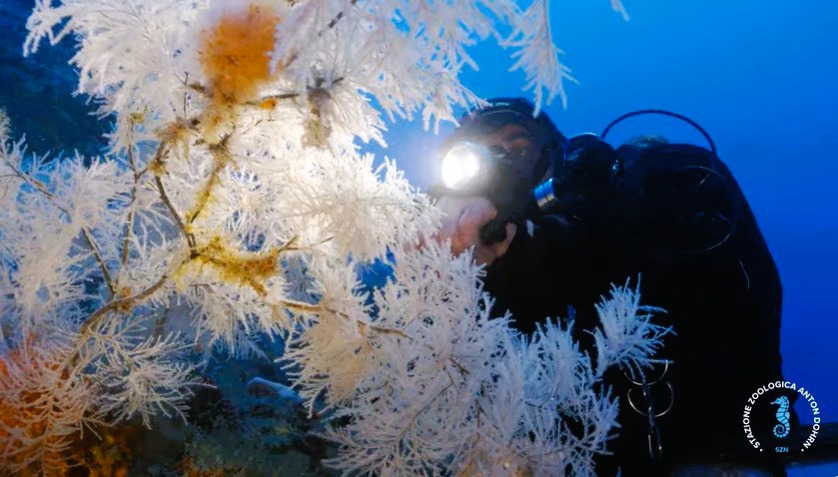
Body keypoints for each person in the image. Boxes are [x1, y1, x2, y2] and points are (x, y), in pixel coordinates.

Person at [432, 97, 795, 476]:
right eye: (487, 151)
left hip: (703, 445)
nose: (504, 160)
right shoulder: (453, 242)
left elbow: (606, 247)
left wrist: (528, 238)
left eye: (520, 146)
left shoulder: (638, 187)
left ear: (556, 155)